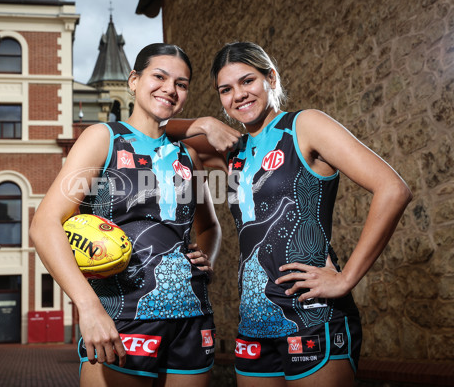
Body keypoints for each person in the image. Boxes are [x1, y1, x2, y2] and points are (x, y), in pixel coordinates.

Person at [170, 42, 412, 386]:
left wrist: (346, 279)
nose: (238, 95)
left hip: (312, 317)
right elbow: (155, 129)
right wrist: (205, 123)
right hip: (254, 324)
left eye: (247, 81)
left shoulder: (305, 126)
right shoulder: (232, 150)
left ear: (271, 78)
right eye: (226, 90)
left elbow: (393, 188)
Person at [29, 43, 221, 387]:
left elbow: (209, 227)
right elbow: (44, 224)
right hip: (122, 315)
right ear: (134, 80)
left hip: (193, 318)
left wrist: (208, 256)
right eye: (159, 76)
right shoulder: (103, 138)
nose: (170, 89)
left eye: (181, 83)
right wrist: (88, 308)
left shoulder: (189, 155)